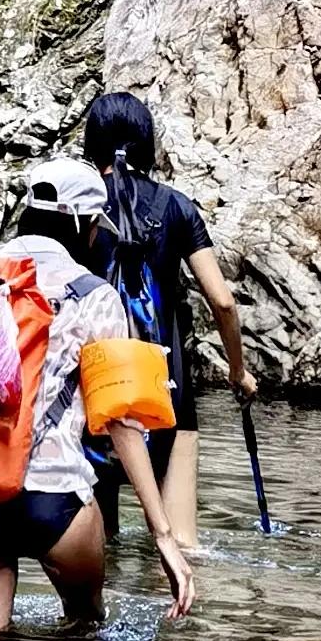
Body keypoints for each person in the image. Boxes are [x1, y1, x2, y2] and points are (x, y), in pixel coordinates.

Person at [0, 158, 196, 636]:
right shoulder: (93, 296)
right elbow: (121, 422)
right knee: (84, 640)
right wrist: (164, 536)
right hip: (58, 500)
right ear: (84, 226)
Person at [79, 89, 251, 549]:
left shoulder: (81, 207)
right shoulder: (177, 205)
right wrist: (238, 370)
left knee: (103, 546)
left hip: (95, 378)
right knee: (181, 546)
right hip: (165, 383)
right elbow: (223, 301)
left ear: (92, 142)